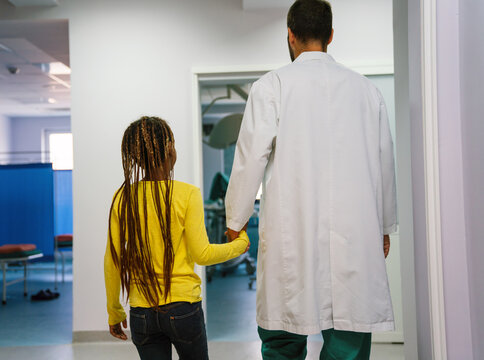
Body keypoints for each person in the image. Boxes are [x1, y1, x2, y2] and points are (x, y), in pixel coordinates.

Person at [224, 0, 397, 359]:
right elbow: (384, 164)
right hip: (354, 236)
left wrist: (235, 220)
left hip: (293, 236)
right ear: (331, 35)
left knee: (283, 335)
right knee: (348, 338)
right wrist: (383, 225)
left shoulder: (271, 87)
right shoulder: (367, 91)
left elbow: (249, 158)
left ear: (290, 35)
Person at [104, 116, 249, 360]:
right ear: (170, 149)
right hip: (183, 309)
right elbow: (202, 255)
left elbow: (113, 261)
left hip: (141, 312)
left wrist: (114, 312)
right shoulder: (187, 194)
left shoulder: (123, 197)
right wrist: (240, 244)